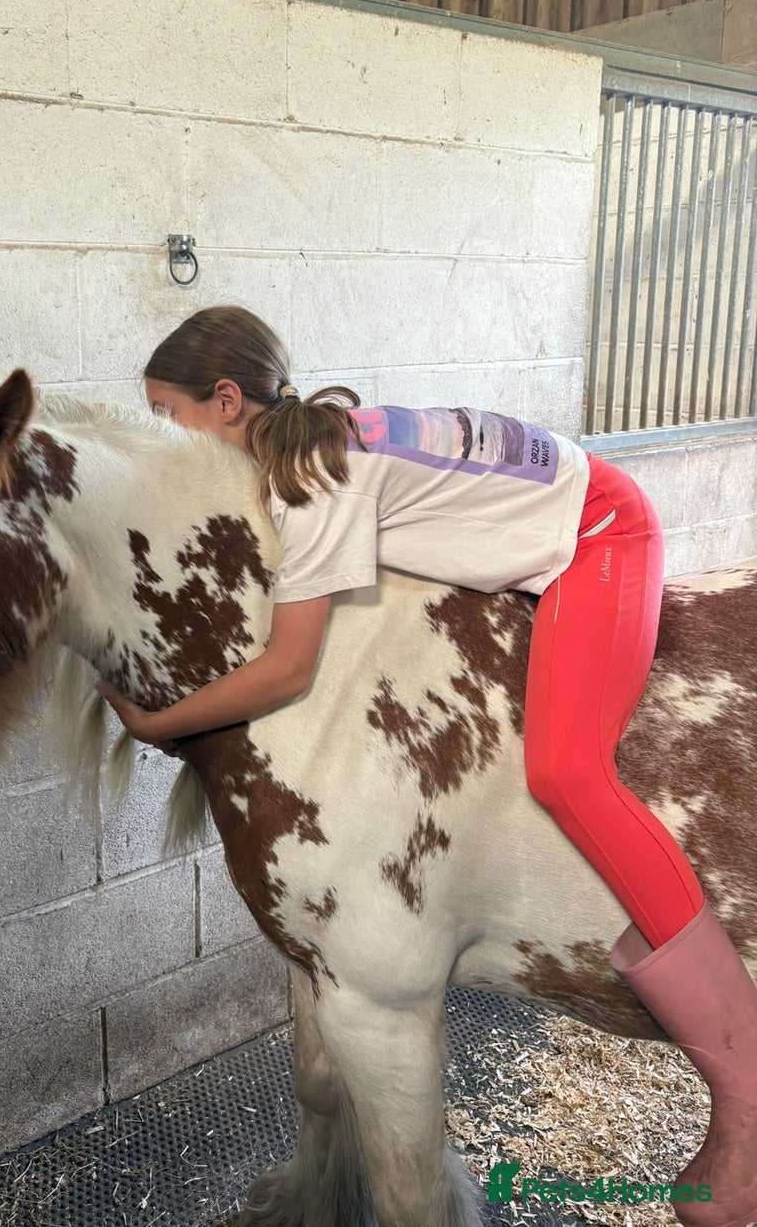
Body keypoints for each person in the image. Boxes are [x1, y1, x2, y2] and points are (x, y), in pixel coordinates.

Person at [98, 304, 757, 1225]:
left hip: (603, 531)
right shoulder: (309, 453)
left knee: (567, 770)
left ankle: (743, 1090)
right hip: (566, 516)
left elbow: (287, 668)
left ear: (227, 401)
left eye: (168, 418)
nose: (166, 443)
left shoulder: (308, 483)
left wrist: (157, 720)